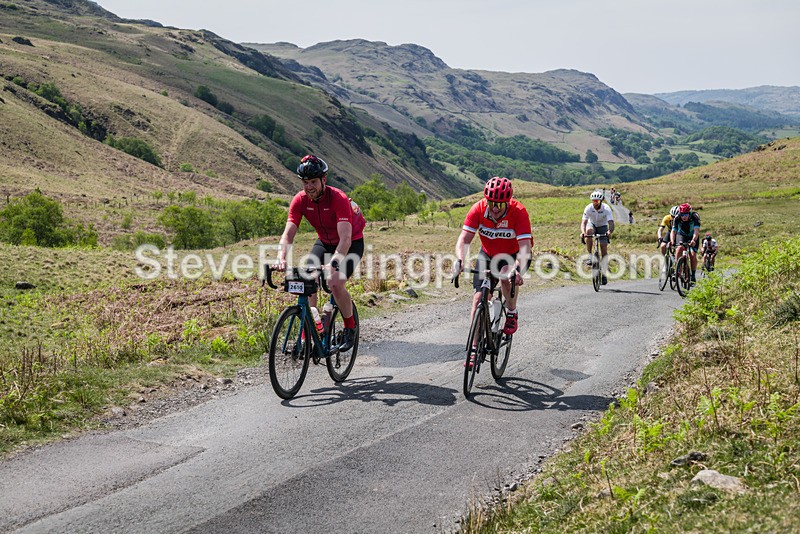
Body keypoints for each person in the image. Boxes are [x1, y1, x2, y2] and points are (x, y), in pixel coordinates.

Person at [275, 155, 366, 351]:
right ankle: (308, 334)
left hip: (350, 244)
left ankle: (350, 328)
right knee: (308, 280)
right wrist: (280, 258)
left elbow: (345, 239)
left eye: (314, 182)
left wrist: (333, 264)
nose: (309, 187)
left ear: (323, 180)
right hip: (324, 242)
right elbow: (288, 233)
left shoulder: (338, 198)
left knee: (335, 282)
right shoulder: (299, 201)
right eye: (305, 183)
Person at [454, 177, 532, 339]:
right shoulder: (478, 209)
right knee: (478, 300)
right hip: (488, 254)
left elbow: (525, 247)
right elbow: (464, 239)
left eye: (500, 204)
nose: (495, 209)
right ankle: (474, 349)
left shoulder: (519, 212)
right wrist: (460, 259)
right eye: (491, 203)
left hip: (514, 255)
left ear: (508, 203)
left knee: (505, 274)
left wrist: (517, 269)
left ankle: (511, 312)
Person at [580, 190, 615, 285]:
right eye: (594, 201)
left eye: (597, 201)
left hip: (603, 226)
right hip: (592, 225)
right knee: (588, 232)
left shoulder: (606, 208)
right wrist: (583, 233)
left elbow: (611, 223)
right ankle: (589, 255)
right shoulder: (588, 208)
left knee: (603, 247)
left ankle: (604, 273)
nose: (595, 203)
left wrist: (609, 231)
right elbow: (584, 223)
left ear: (601, 201)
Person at [670, 202, 701, 285]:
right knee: (679, 248)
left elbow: (696, 231)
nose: (683, 217)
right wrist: (672, 241)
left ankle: (693, 275)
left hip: (692, 236)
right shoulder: (677, 217)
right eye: (682, 214)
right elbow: (673, 231)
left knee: (692, 254)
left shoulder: (695, 216)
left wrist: (694, 240)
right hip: (682, 235)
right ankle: (677, 269)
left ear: (689, 213)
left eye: (685, 214)